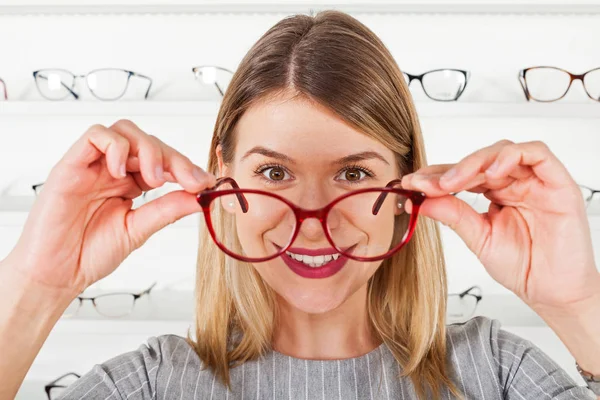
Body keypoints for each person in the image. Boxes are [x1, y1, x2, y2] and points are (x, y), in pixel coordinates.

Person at [1, 10, 599, 400]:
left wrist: (578, 306)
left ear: (405, 192)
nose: (312, 219)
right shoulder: (153, 385)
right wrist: (37, 281)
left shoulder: (496, 372)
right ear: (223, 181)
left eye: (353, 173)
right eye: (275, 172)